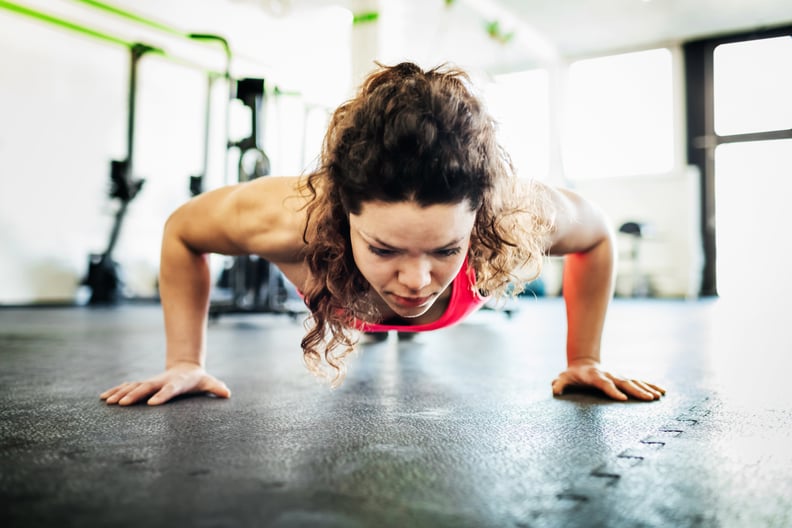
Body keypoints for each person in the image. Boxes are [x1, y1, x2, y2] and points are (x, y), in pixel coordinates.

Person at [100, 62, 665, 406]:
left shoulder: (512, 212)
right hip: (341, 288)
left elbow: (596, 236)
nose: (419, 280)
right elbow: (181, 232)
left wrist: (583, 358)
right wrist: (184, 361)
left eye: (446, 249)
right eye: (384, 248)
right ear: (342, 214)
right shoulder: (285, 216)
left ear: (479, 216)